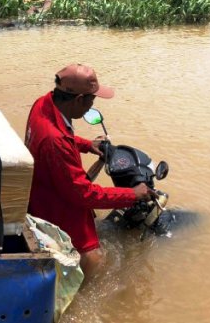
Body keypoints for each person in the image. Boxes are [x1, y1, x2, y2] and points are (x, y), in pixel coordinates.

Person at [25, 63, 153, 278]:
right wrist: (132, 194)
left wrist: (86, 145)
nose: (91, 106)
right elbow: (83, 195)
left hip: (41, 187)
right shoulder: (55, 142)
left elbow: (60, 135)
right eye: (91, 100)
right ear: (78, 100)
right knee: (96, 262)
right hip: (54, 205)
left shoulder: (44, 104)